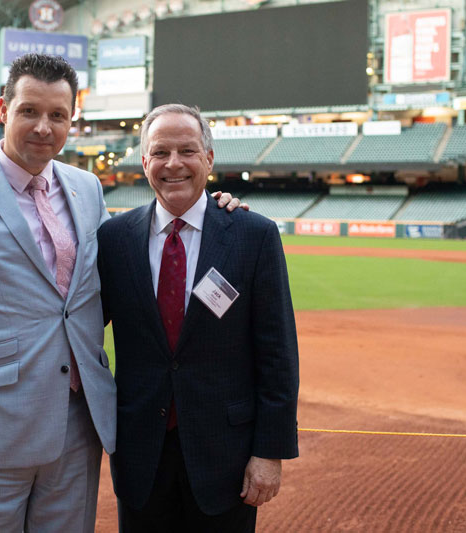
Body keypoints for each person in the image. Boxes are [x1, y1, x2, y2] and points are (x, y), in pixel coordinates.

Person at [0, 54, 242, 531]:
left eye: (58, 115)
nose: (44, 127)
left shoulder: (86, 188)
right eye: (29, 111)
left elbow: (106, 287)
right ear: (4, 109)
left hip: (79, 427)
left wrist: (212, 208)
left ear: (71, 119)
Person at [97, 104, 299, 532]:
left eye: (187, 150)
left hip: (226, 458)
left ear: (209, 158)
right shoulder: (113, 239)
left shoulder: (253, 235)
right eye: (160, 152)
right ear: (145, 161)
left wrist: (270, 453)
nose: (174, 164)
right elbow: (77, 323)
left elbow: (278, 353)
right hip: (140, 457)